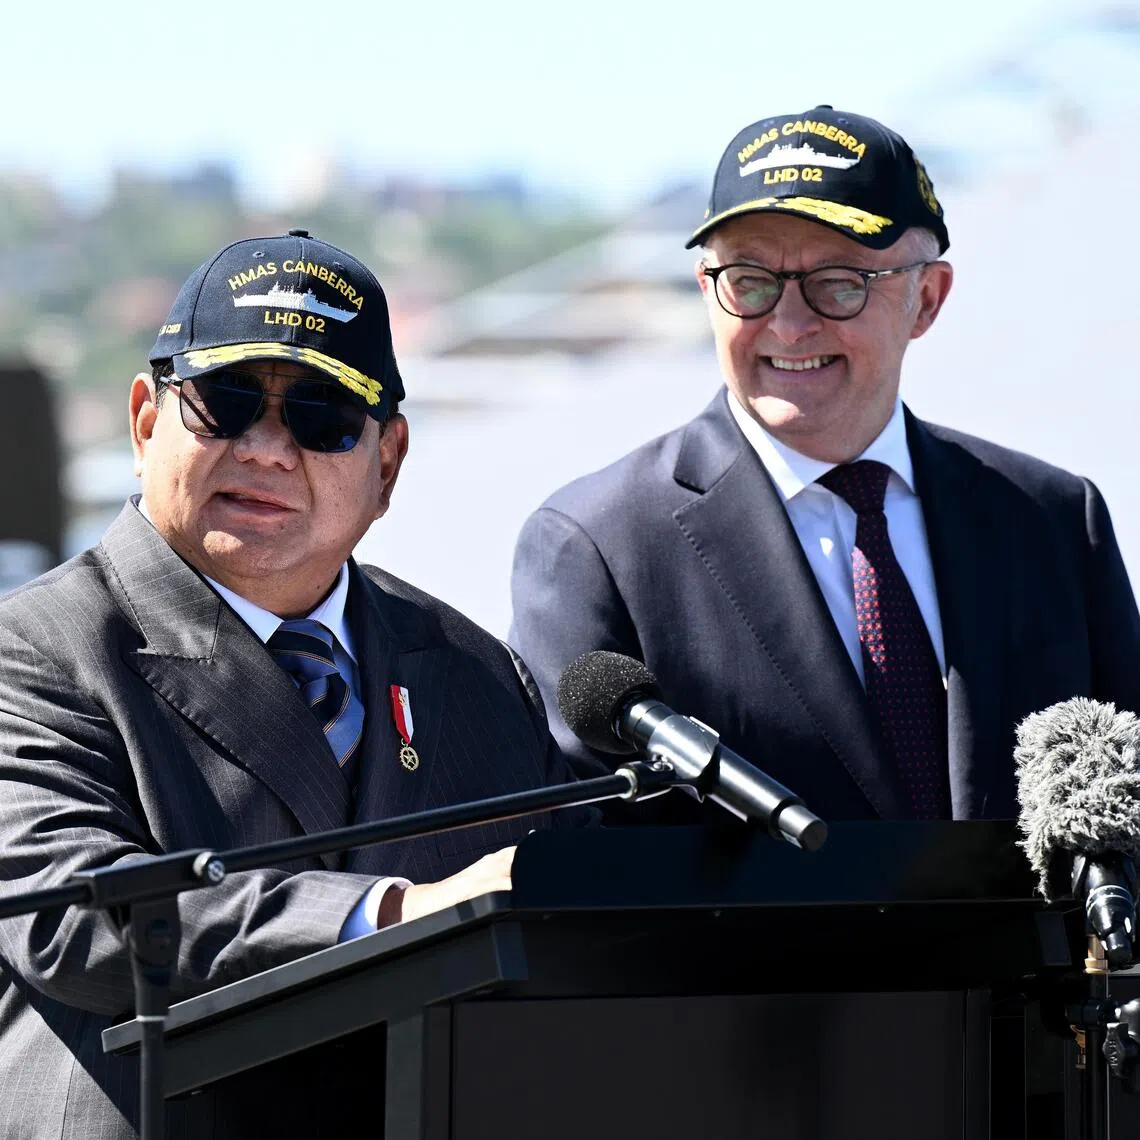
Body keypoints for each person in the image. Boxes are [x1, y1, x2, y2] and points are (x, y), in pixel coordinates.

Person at [0, 230, 580, 1138]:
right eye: (227, 402)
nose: (269, 448)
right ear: (147, 419)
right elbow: (73, 917)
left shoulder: (475, 671)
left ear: (386, 462)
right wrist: (394, 914)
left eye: (322, 418)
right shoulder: (31, 650)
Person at [510, 106, 1140, 827]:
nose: (789, 323)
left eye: (839, 282)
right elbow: (576, 863)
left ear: (926, 298)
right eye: (749, 282)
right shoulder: (598, 547)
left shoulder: (1052, 519)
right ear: (705, 287)